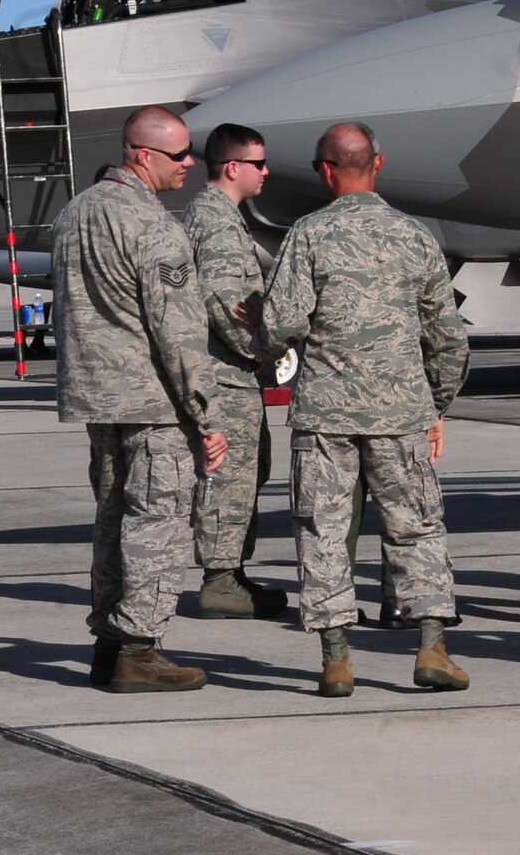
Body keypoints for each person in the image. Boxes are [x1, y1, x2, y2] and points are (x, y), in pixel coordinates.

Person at [259, 122, 471, 698]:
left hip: (326, 414)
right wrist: (435, 403)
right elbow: (448, 338)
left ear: (325, 171)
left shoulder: (307, 234)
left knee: (323, 530)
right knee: (416, 528)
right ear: (377, 162)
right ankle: (430, 647)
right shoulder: (415, 236)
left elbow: (279, 323)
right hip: (400, 412)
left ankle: (336, 660)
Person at [52, 105, 227, 693]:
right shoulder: (153, 225)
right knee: (158, 523)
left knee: (112, 522)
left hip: (100, 398)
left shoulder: (76, 212)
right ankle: (140, 649)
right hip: (152, 403)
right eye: (179, 155)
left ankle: (109, 643)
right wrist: (208, 415)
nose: (189, 166)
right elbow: (179, 333)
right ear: (141, 154)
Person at [181, 122, 287, 620]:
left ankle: (233, 574)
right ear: (232, 167)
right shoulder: (218, 222)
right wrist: (264, 350)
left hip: (232, 373)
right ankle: (220, 580)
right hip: (226, 375)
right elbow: (227, 304)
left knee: (249, 471)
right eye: (258, 163)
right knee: (231, 476)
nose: (266, 171)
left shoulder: (220, 216)